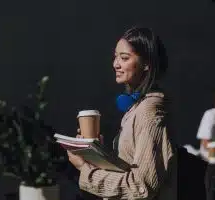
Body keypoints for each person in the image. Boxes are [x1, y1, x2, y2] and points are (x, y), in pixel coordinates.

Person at [67, 27, 176, 199]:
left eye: (124, 58)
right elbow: (129, 167)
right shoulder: (138, 106)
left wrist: (85, 169)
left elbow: (142, 186)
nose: (115, 64)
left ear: (147, 64)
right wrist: (96, 154)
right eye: (116, 57)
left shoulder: (149, 111)